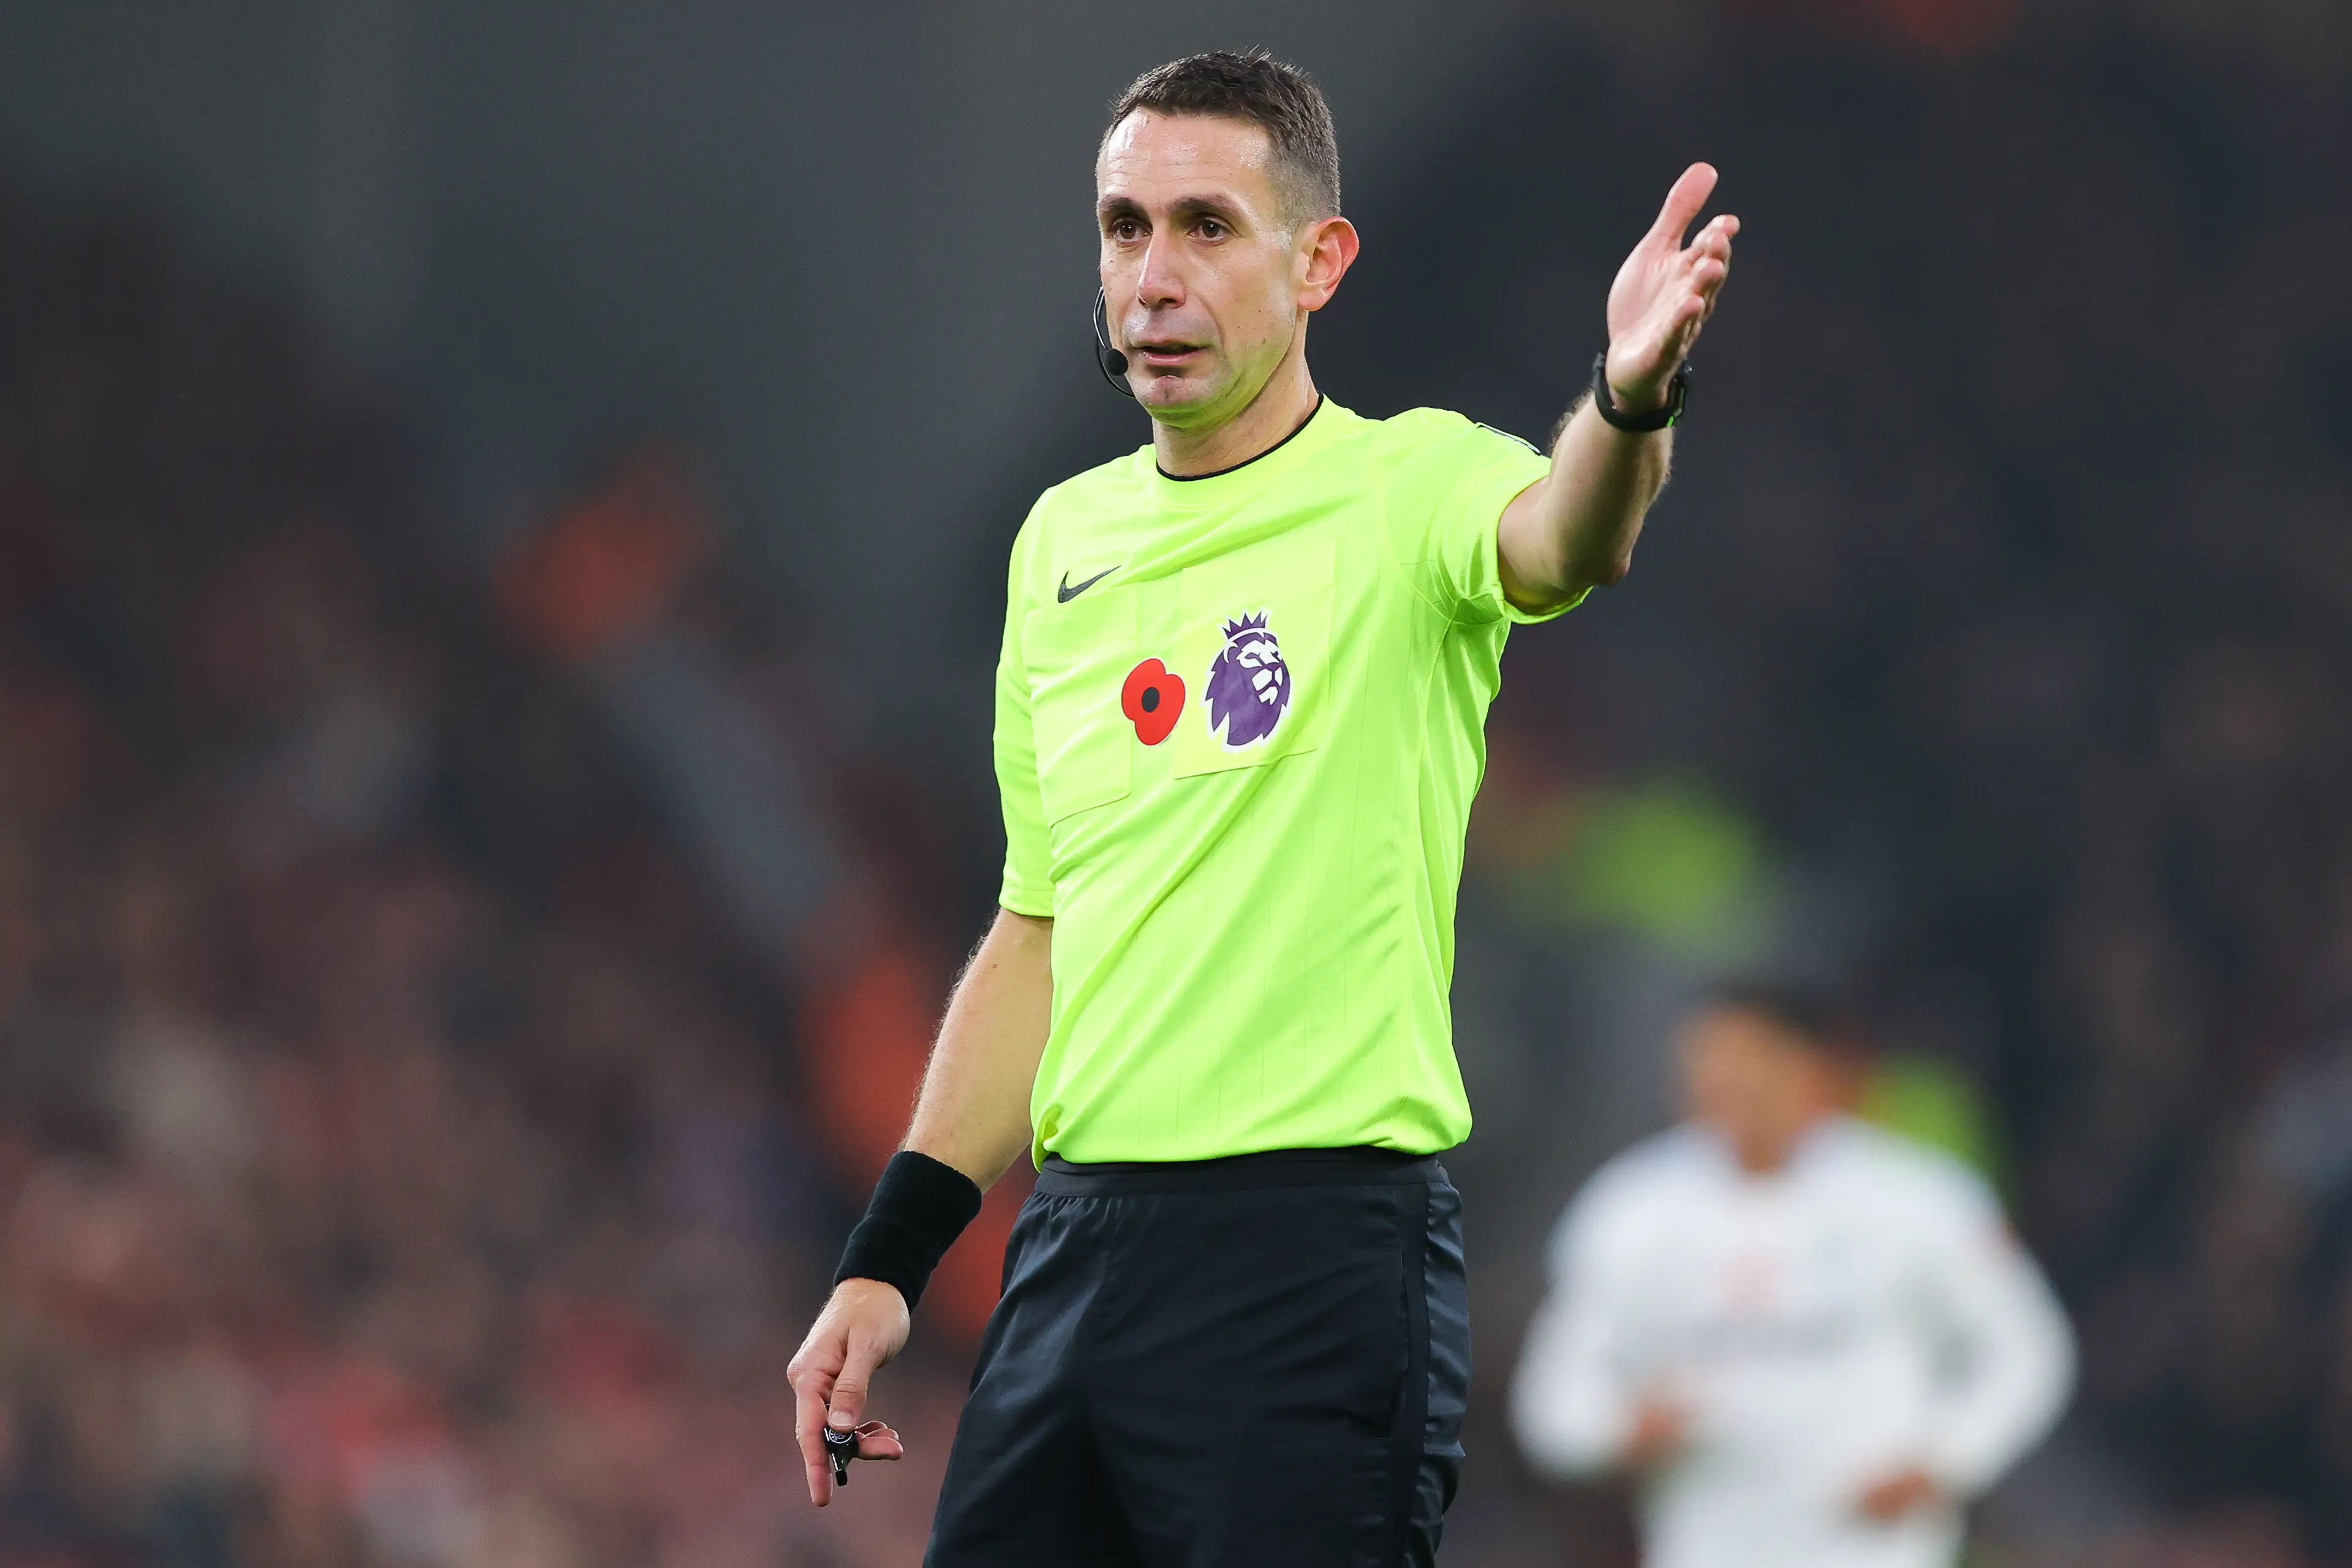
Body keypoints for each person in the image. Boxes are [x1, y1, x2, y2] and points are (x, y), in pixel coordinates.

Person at [788, 48, 1738, 1565]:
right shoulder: (1062, 547)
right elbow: (1037, 927)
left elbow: (1564, 541)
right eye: (1123, 228)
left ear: (1318, 262)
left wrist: (1628, 398)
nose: (1153, 276)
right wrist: (888, 1258)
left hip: (1311, 1254)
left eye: (1206, 227)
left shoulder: (1406, 484)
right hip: (1075, 1243)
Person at [1510, 984, 2076, 1568]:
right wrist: (1622, 1430)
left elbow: (2026, 1352)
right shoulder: (1630, 1209)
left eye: (1751, 1058)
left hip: (1876, 1548)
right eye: (1708, 1062)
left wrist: (1945, 1460)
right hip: (1707, 1548)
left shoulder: (1918, 1198)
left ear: (1814, 1068)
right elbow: (1553, 1404)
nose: (1727, 1081)